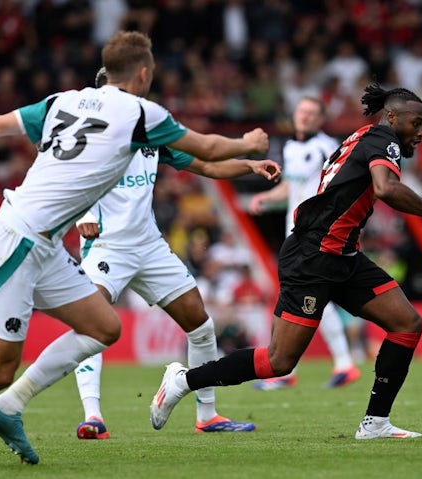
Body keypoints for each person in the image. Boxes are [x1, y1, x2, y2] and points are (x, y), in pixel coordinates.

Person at [0, 30, 268, 464]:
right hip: (20, 239)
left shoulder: (60, 102)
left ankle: (11, 406)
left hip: (46, 243)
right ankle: (24, 404)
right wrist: (248, 143)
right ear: (144, 73)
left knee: (104, 328)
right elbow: (206, 146)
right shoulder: (140, 114)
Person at [149, 84, 422, 439]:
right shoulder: (383, 140)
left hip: (342, 255)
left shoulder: (365, 137)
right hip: (313, 257)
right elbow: (385, 188)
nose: (421, 131)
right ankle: (183, 380)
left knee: (407, 324)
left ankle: (375, 422)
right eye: (416, 122)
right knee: (279, 361)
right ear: (391, 117)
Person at [74, 68, 280, 440]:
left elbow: (204, 163)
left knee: (200, 325)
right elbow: (65, 173)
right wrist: (83, 213)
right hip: (106, 246)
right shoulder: (91, 133)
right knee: (92, 324)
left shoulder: (153, 132)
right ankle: (93, 417)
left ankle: (207, 415)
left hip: (150, 247)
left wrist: (248, 165)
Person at [248, 96, 361, 390]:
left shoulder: (327, 147)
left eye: (312, 113)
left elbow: (338, 186)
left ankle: (286, 370)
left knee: (296, 298)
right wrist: (266, 197)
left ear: (321, 119)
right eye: (302, 111)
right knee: (310, 300)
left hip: (312, 234)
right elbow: (291, 186)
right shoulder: (290, 147)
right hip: (293, 233)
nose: (305, 116)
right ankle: (342, 364)